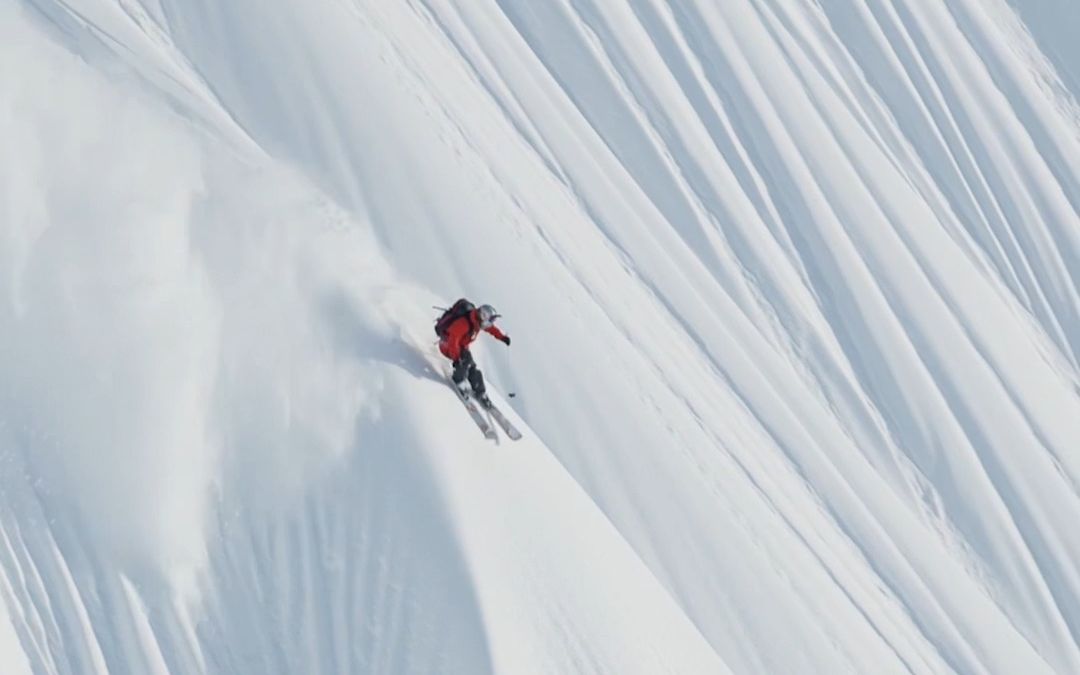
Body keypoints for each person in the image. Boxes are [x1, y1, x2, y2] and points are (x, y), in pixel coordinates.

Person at [437, 302, 510, 408]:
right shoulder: (464, 323)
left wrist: (502, 337)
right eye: (490, 320)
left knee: (472, 367)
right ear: (483, 316)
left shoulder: (478, 322)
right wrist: (457, 359)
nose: (490, 323)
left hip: (461, 347)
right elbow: (452, 340)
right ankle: (459, 381)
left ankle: (480, 391)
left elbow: (492, 329)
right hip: (447, 345)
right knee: (464, 362)